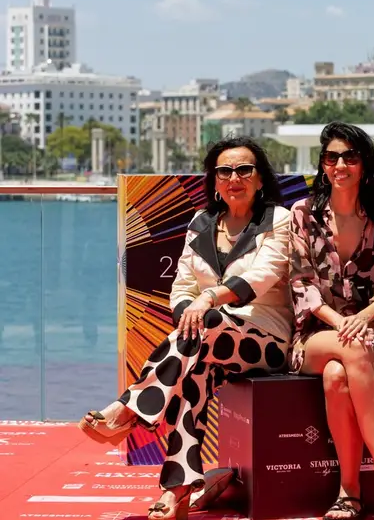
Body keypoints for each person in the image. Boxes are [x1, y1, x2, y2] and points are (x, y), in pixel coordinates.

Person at [78, 137, 293, 520]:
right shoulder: (201, 223)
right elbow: (181, 288)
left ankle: (128, 411)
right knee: (191, 378)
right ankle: (176, 493)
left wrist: (208, 300)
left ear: (260, 180)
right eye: (224, 171)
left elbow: (263, 276)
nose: (234, 178)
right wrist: (192, 310)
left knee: (204, 324)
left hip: (266, 342)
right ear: (214, 181)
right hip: (207, 342)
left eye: (244, 170)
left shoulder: (277, 219)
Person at [288, 121, 374, 519]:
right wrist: (341, 322)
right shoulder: (303, 214)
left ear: (364, 164)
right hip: (315, 335)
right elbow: (301, 284)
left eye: (349, 157)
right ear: (323, 165)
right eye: (332, 158)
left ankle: (349, 492)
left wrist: (362, 317)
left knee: (337, 376)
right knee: (351, 348)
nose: (340, 165)